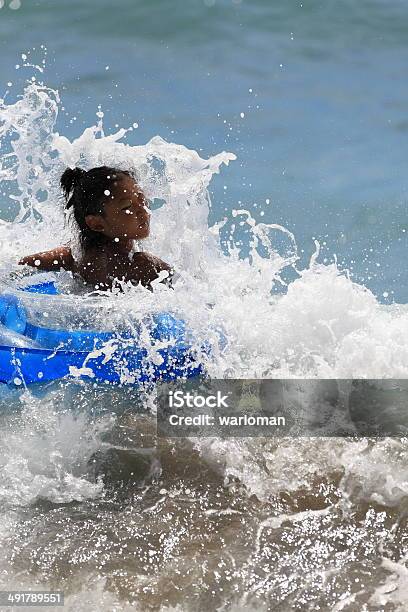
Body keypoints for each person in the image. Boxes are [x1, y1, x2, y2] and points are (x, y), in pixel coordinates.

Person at [19, 166, 173, 290]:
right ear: (96, 223)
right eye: (127, 206)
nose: (142, 209)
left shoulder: (75, 255)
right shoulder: (142, 264)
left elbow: (25, 263)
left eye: (142, 199)